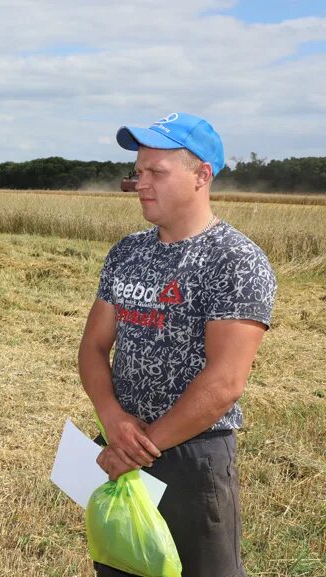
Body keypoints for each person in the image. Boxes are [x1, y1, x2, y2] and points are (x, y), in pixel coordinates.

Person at [78, 112, 277, 577]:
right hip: (120, 438)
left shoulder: (235, 260)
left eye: (156, 173)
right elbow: (92, 347)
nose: (140, 184)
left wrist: (137, 447)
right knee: (122, 565)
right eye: (138, 172)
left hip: (193, 455)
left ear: (201, 176)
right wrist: (112, 419)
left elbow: (224, 382)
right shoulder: (127, 252)